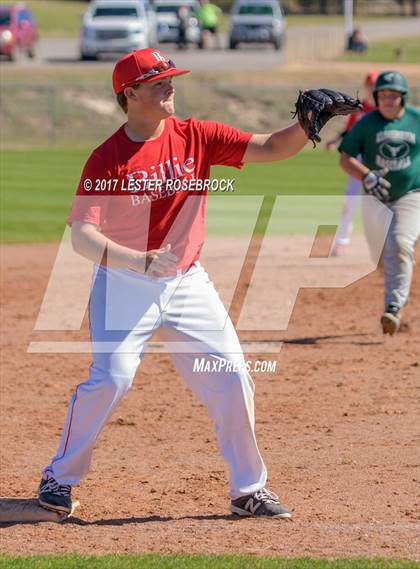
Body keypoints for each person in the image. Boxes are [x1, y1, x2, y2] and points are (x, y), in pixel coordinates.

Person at [37, 49, 351, 519]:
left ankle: (249, 489)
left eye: (170, 79)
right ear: (130, 94)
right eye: (159, 82)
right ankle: (59, 477)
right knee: (112, 380)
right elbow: (82, 232)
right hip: (124, 282)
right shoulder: (107, 158)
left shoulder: (196, 135)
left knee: (233, 376)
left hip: (187, 282)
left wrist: (305, 126)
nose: (171, 87)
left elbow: (267, 148)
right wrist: (135, 259)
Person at [339, 70, 420, 335]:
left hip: (410, 194)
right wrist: (367, 176)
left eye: (393, 95)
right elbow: (346, 158)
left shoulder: (416, 120)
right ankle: (398, 274)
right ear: (376, 96)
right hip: (376, 199)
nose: (387, 99)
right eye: (383, 94)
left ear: (402, 97)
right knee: (381, 258)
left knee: (400, 243)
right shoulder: (366, 122)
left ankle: (393, 308)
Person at [327, 71, 379, 256]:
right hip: (357, 160)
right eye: (370, 85)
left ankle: (388, 242)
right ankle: (341, 241)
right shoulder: (359, 108)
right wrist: (335, 141)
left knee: (382, 201)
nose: (373, 89)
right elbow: (348, 131)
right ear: (366, 87)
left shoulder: (383, 110)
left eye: (375, 85)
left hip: (377, 160)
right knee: (350, 200)